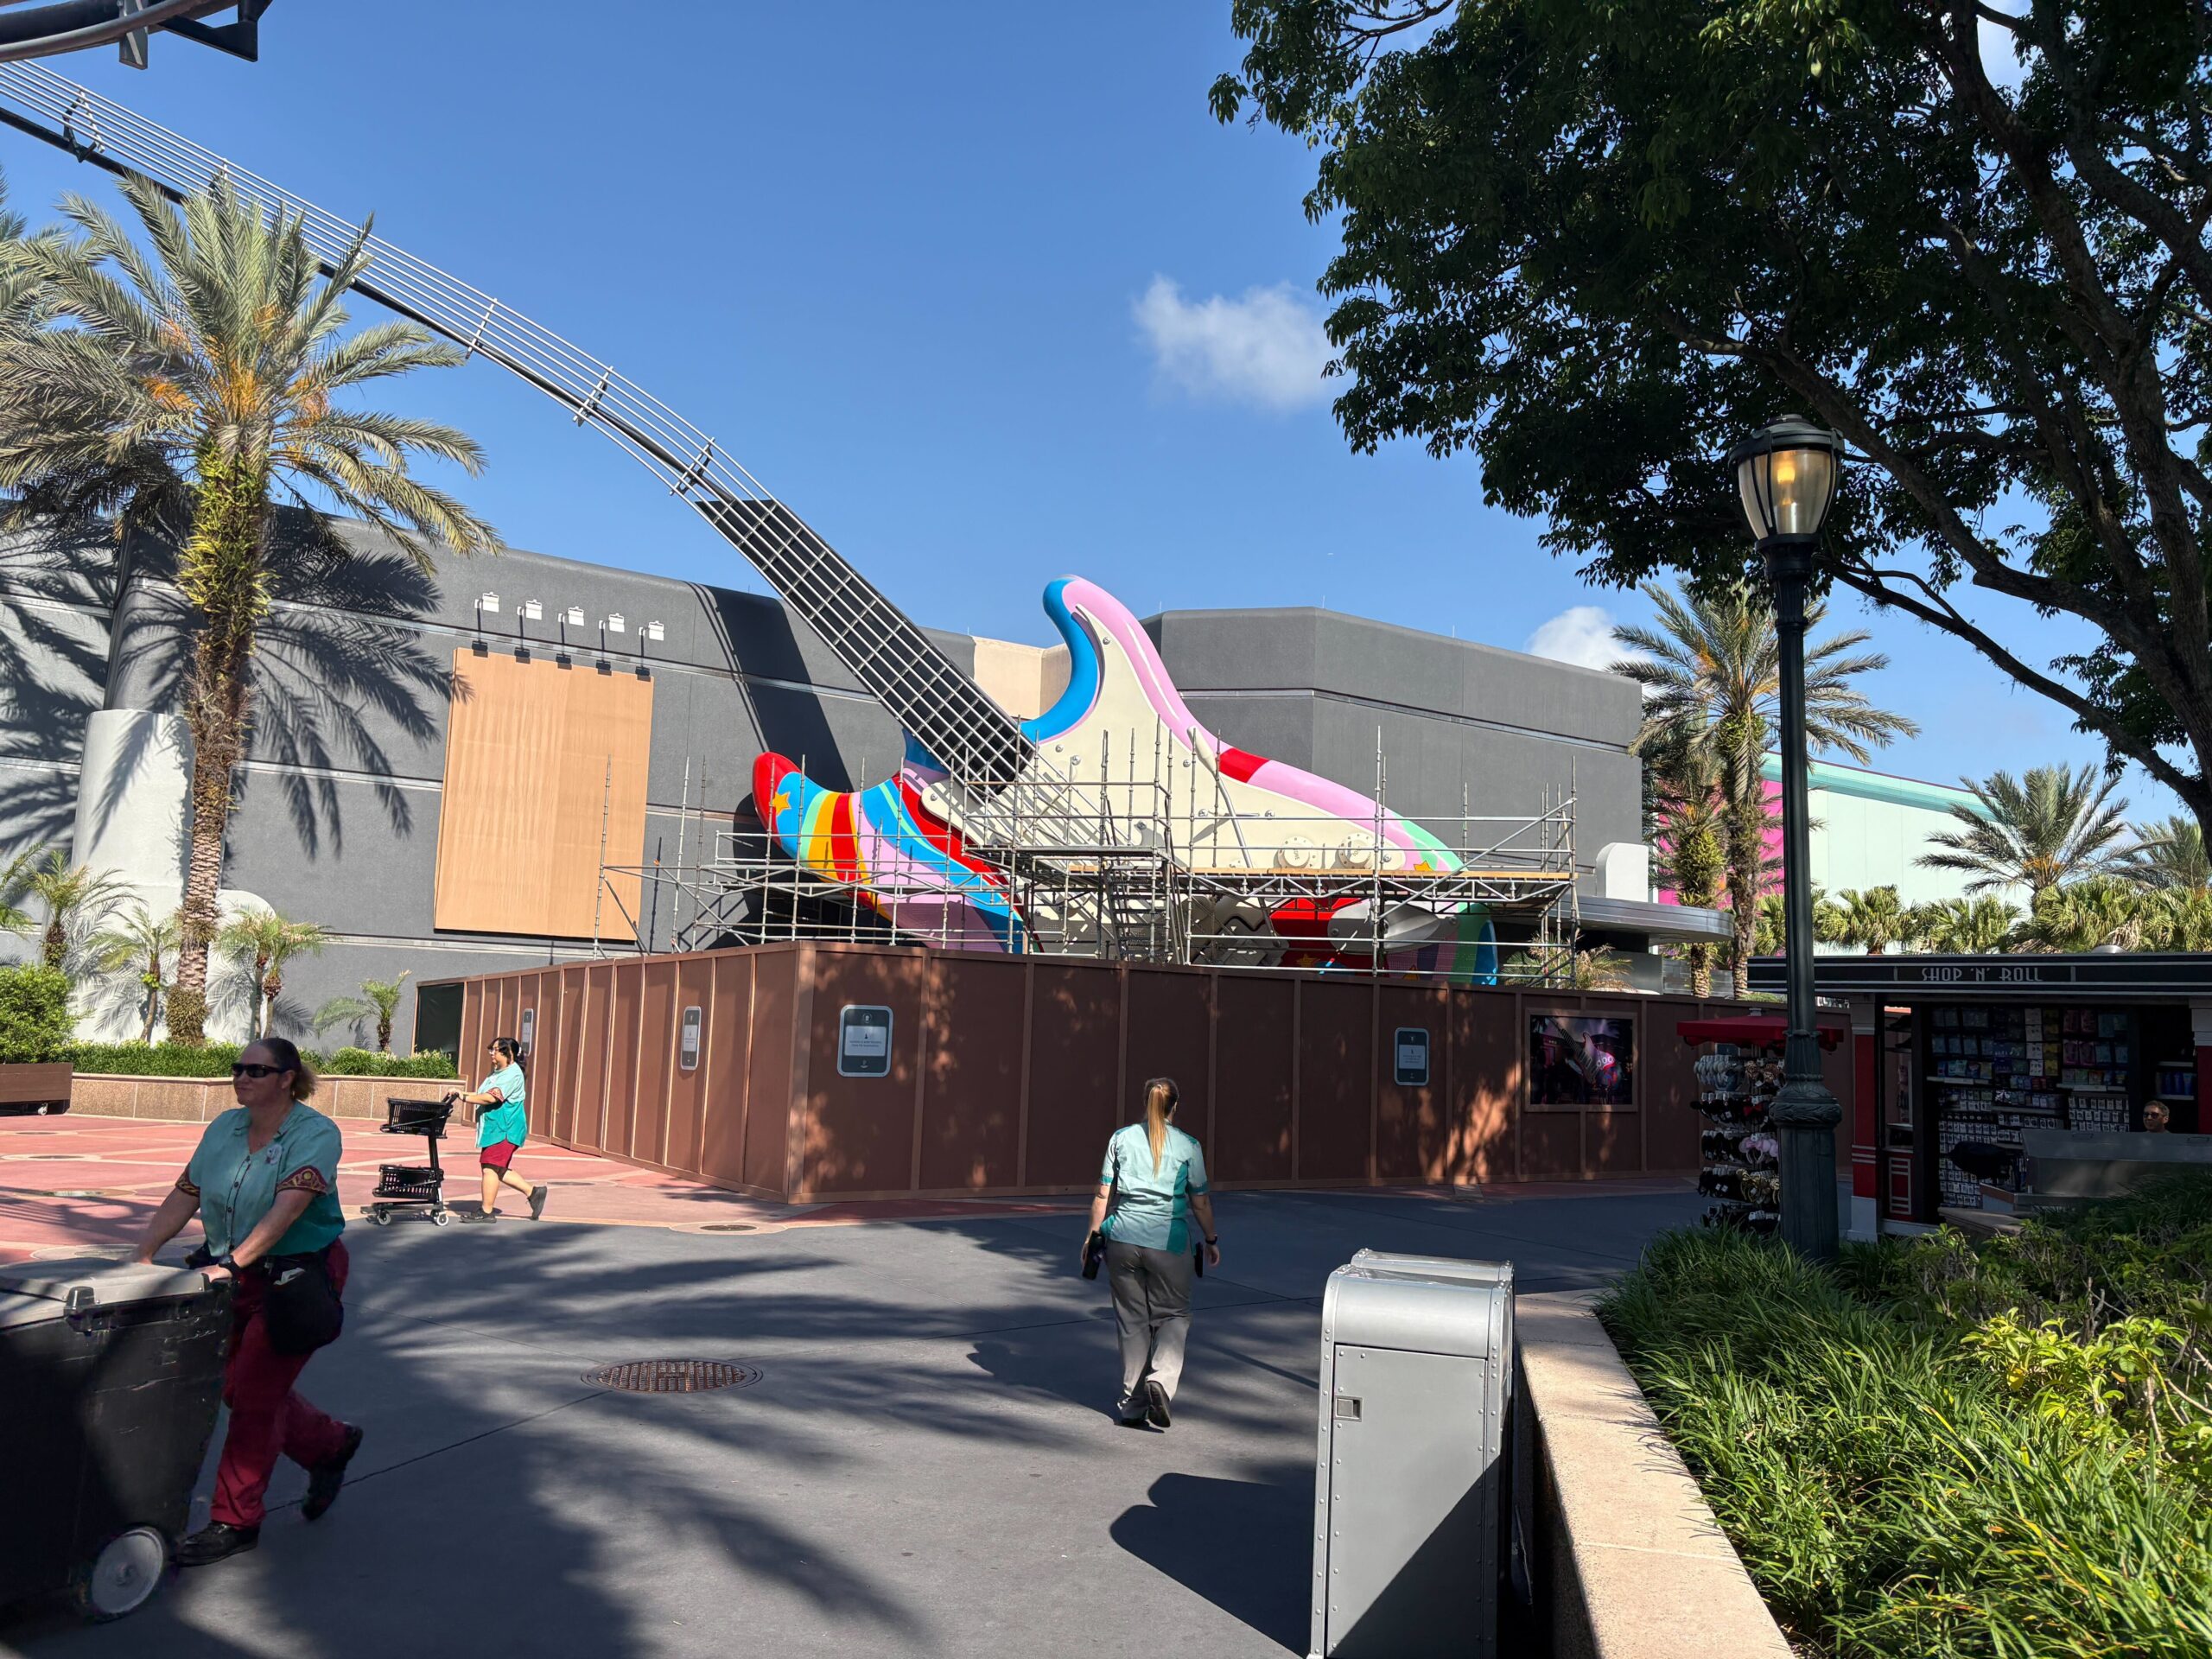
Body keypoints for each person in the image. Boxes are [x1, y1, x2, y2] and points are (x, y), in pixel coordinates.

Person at [132, 1037, 362, 1566]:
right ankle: (329, 1445)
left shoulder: (315, 1133)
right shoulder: (223, 1128)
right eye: (238, 1069)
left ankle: (235, 1520)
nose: (243, 1078)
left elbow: (289, 1208)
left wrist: (234, 1262)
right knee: (237, 1389)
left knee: (254, 1396)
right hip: (229, 1274)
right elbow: (186, 1192)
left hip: (296, 1276)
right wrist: (143, 1253)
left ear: (286, 1078)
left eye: (257, 1071)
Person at [1083, 1077, 1220, 1429]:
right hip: (1169, 1242)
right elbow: (1200, 1201)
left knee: (1132, 1323)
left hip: (1122, 1239)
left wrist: (1092, 1236)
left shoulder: (1121, 1138)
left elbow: (1102, 1195)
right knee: (1174, 1315)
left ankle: (1132, 1406)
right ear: (1175, 1106)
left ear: (1145, 1103)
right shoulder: (1189, 1145)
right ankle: (1160, 1379)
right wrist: (1211, 1238)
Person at [457, 1035, 547, 1222]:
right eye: (491, 1049)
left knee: (490, 1168)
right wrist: (462, 1094)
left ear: (509, 1053)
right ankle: (534, 1193)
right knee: (496, 1167)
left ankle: (487, 1212)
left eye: (495, 1050)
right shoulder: (497, 1072)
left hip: (505, 1129)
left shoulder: (512, 1074)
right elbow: (483, 1094)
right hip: (495, 1128)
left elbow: (491, 1098)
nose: (492, 1053)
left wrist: (464, 1098)